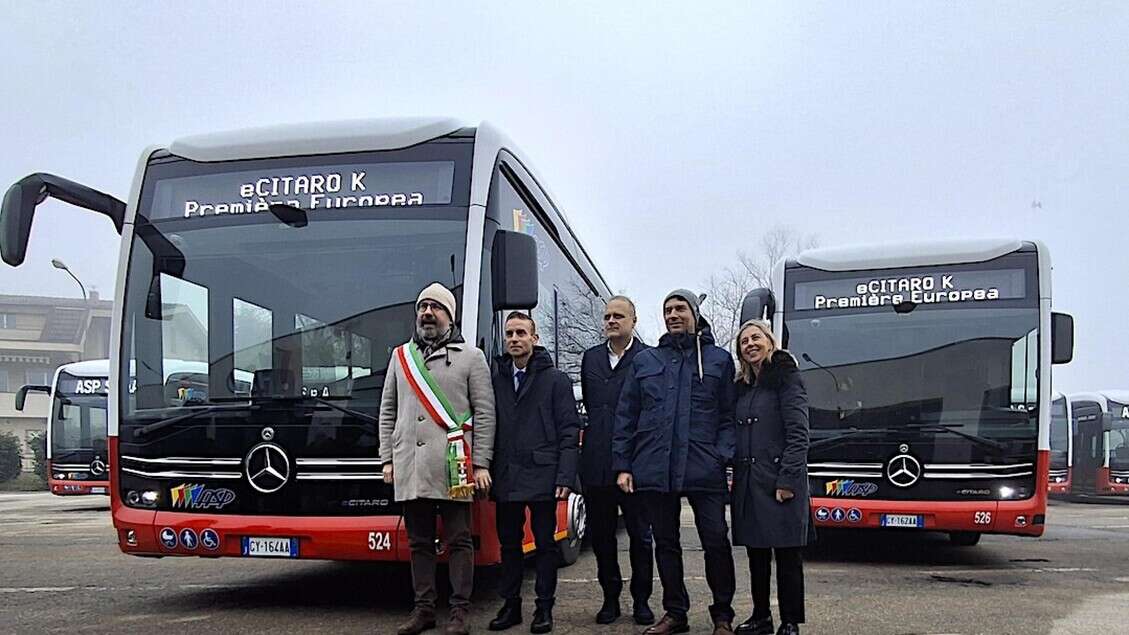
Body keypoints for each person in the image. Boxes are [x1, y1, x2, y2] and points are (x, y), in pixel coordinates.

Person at [613, 290, 738, 635]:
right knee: (665, 543)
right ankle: (675, 613)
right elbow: (627, 415)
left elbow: (729, 416)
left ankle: (722, 615)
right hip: (655, 467)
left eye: (680, 308)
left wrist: (721, 455)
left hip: (704, 467)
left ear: (695, 314)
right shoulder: (647, 361)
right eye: (667, 310)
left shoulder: (717, 360)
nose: (673, 314)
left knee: (715, 540)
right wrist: (623, 464)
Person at [379, 282, 496, 635]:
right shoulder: (400, 358)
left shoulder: (471, 357)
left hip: (454, 466)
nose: (427, 313)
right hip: (410, 466)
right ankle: (424, 610)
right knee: (418, 542)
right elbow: (388, 411)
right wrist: (387, 459)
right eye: (422, 307)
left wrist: (482, 464)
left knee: (459, 540)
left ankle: (459, 612)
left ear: (450, 315)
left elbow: (486, 413)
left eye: (436, 307)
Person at [488, 312, 581, 634]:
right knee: (509, 547)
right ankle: (510, 607)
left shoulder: (555, 380)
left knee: (545, 546)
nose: (514, 339)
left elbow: (570, 430)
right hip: (506, 476)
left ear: (534, 338)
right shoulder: (495, 377)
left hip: (544, 477)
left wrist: (565, 478)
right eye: (510, 334)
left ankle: (544, 609)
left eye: (521, 333)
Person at [730, 320, 810, 635]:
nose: (750, 343)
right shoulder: (743, 386)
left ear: (769, 341)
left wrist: (787, 481)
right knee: (757, 554)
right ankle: (761, 616)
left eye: (755, 337)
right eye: (744, 340)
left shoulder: (787, 378)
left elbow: (799, 434)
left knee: (788, 555)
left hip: (780, 482)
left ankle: (790, 622)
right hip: (749, 482)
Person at [579, 296, 655, 626]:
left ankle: (642, 601)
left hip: (636, 466)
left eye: (618, 316)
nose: (611, 321)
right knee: (603, 537)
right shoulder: (591, 358)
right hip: (596, 464)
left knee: (640, 536)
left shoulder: (649, 359)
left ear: (633, 321)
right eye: (607, 316)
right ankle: (610, 599)